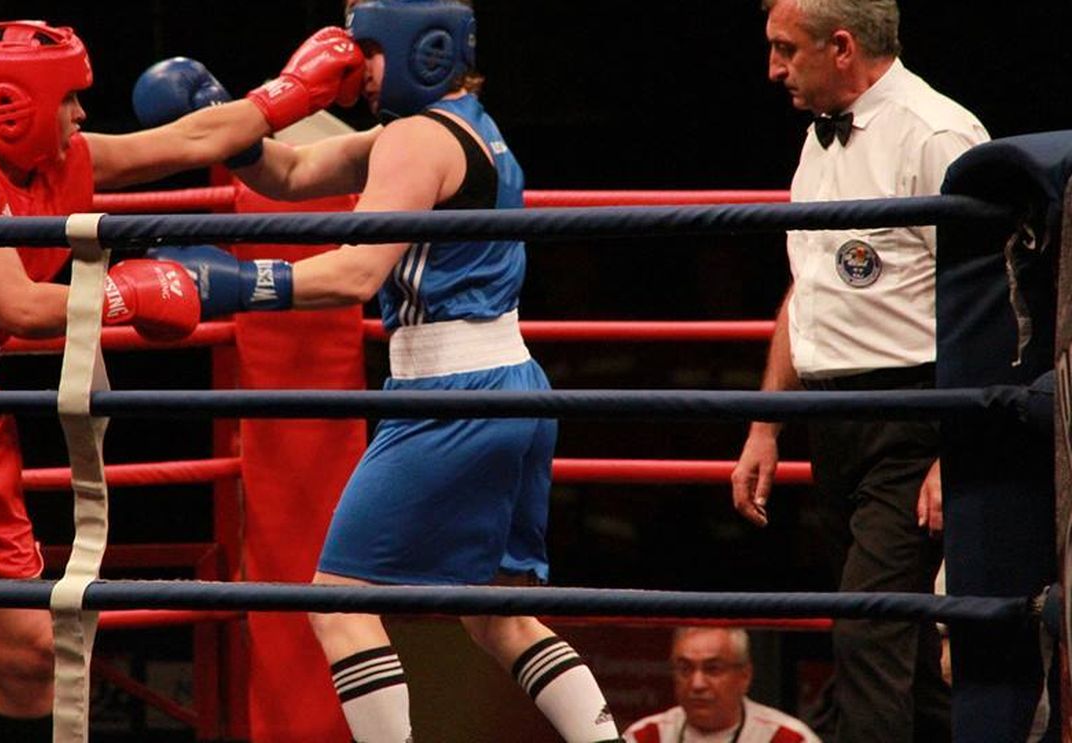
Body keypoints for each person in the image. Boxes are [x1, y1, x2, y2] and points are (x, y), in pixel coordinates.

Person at [0, 19, 363, 743]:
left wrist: (296, 91)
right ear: (13, 103)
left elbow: (193, 139)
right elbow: (20, 308)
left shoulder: (68, 161)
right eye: (68, 99)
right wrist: (132, 292)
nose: (81, 114)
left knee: (34, 654)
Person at [137, 1, 621, 740]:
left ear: (421, 49)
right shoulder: (461, 126)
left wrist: (232, 283)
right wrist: (229, 123)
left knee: (339, 603)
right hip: (511, 385)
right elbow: (292, 172)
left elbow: (357, 274)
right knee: (499, 613)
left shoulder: (416, 140)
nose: (353, 66)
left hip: (452, 397)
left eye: (368, 48)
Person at [729, 1, 988, 741]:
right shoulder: (819, 140)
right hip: (832, 419)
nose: (773, 69)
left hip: (916, 417)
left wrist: (957, 445)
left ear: (841, 46)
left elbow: (991, 301)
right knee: (904, 646)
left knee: (867, 633)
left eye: (787, 49)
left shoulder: (936, 135)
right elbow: (808, 289)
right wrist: (766, 423)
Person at [623, 627, 819, 743]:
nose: (697, 684)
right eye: (685, 669)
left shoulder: (789, 738)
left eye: (713, 669)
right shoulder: (644, 737)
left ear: (745, 676)